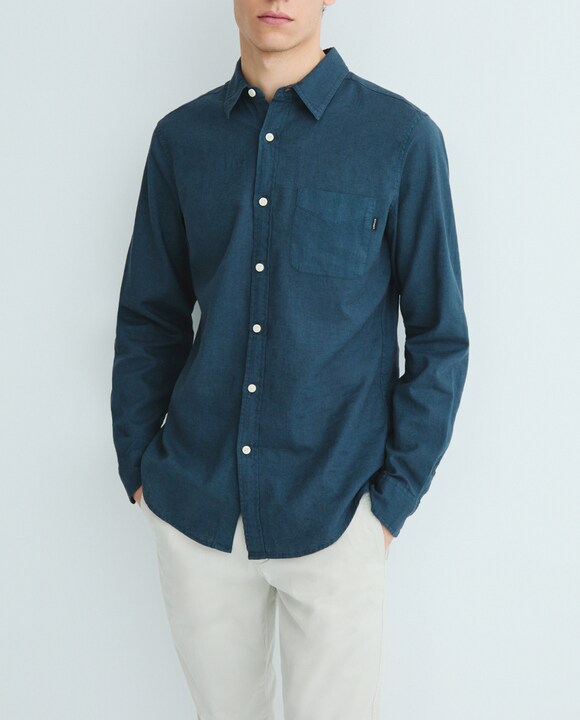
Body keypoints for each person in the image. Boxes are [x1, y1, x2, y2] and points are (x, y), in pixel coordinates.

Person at [110, 1, 469, 717]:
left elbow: (439, 336)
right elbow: (150, 316)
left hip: (338, 513)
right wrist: (141, 469)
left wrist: (389, 505)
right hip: (199, 510)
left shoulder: (400, 139)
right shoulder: (181, 140)